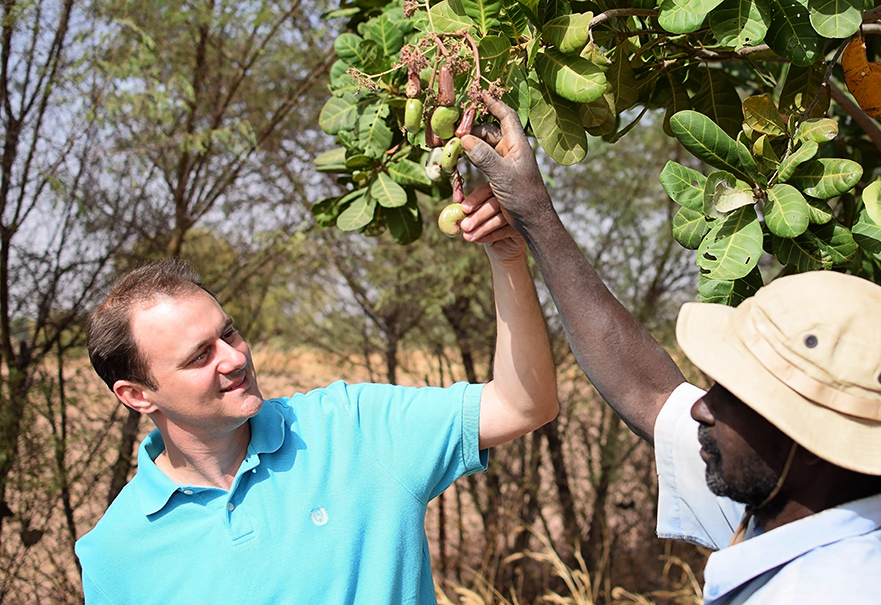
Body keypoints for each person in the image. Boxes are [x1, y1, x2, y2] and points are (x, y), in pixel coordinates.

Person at [458, 94, 881, 604]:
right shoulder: (826, 496)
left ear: (818, 443)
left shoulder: (845, 591)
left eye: (734, 395)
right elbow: (651, 394)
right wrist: (533, 215)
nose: (702, 406)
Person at [75, 211, 558, 603]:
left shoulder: (353, 426)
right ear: (137, 395)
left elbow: (521, 406)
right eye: (200, 356)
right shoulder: (113, 557)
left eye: (229, 333)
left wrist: (508, 256)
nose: (234, 357)